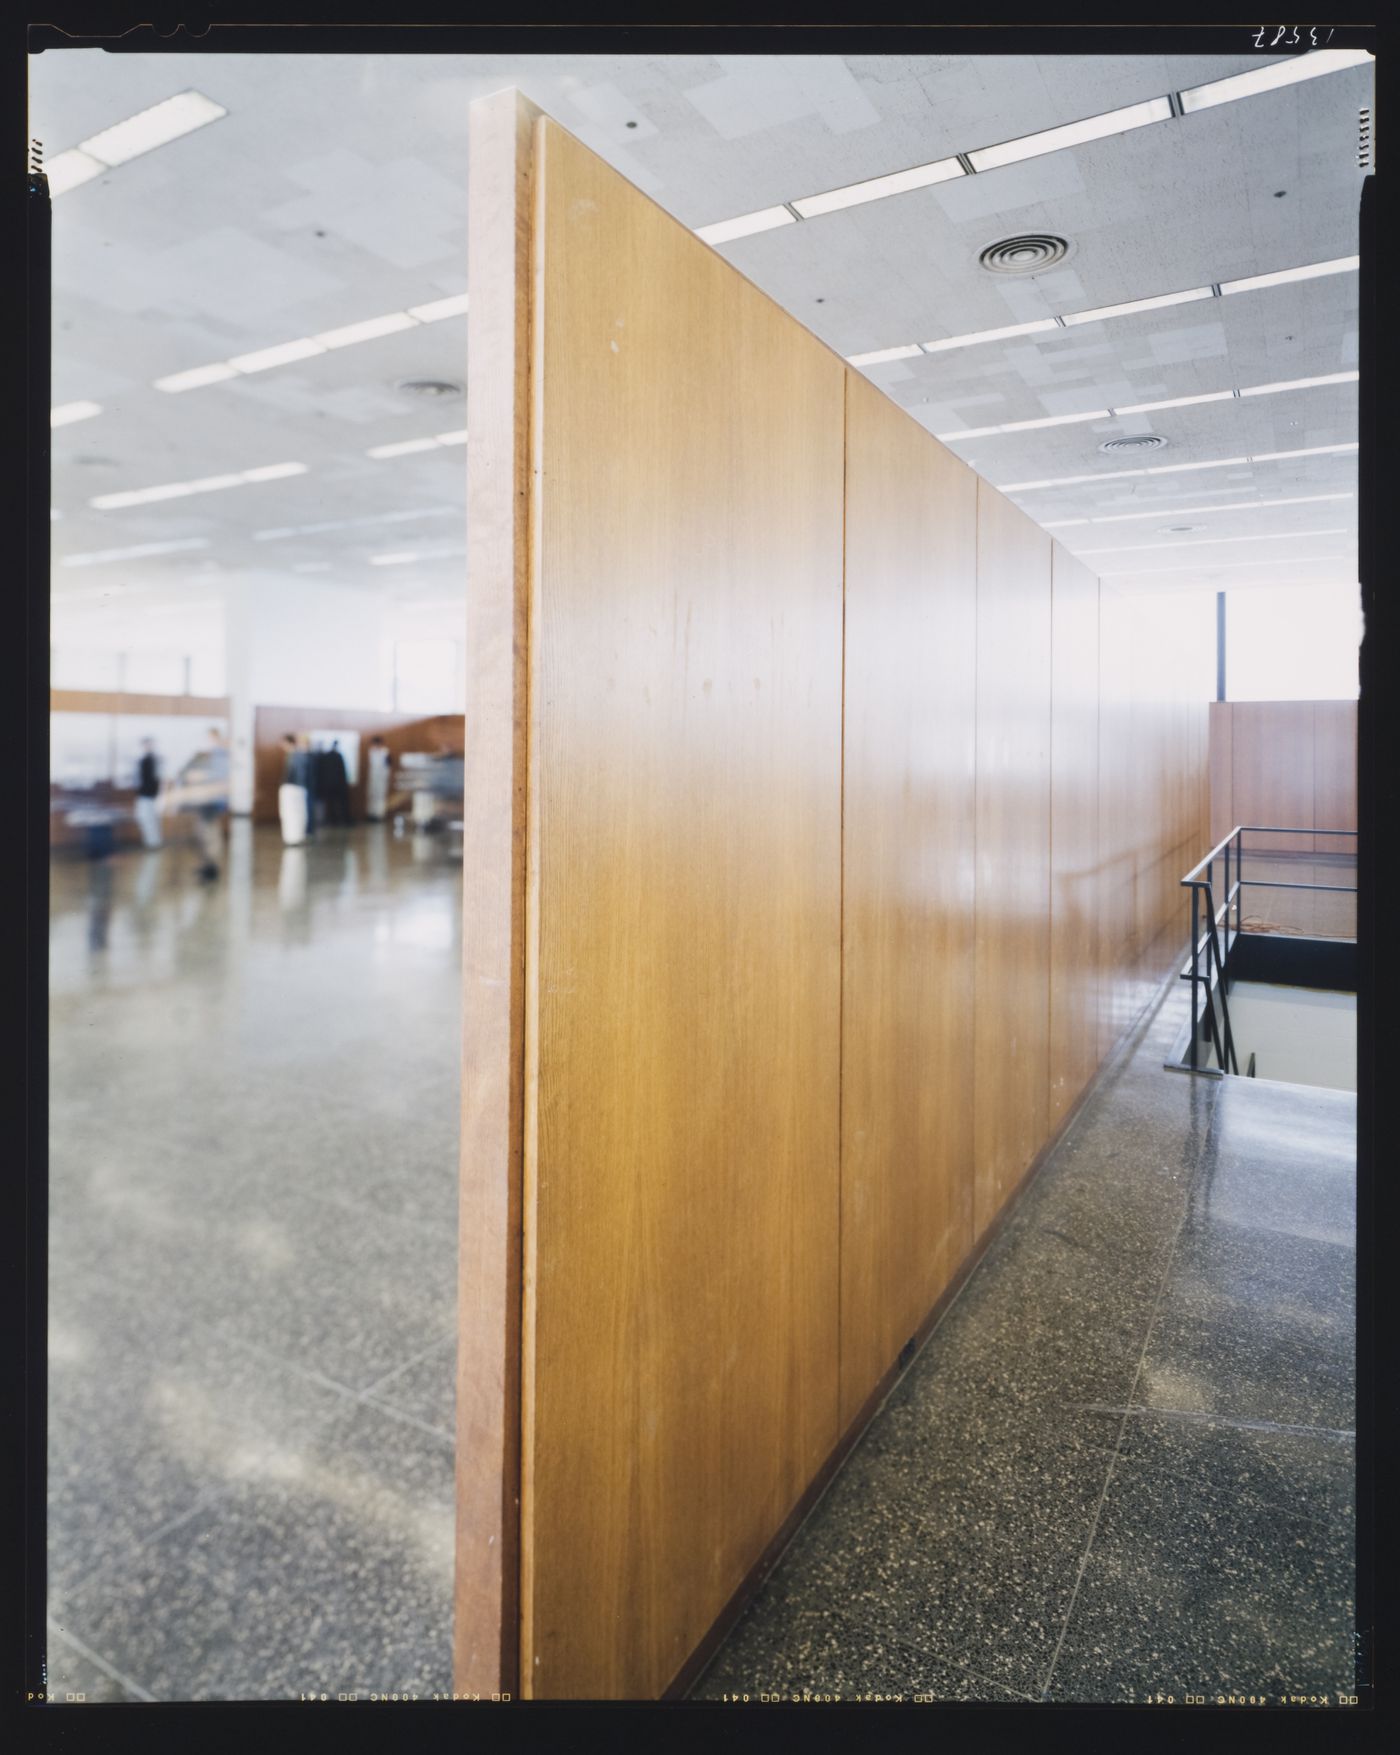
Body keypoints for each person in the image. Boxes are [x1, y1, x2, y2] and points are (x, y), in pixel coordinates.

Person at [168, 725, 230, 882]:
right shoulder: (207, 755)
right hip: (203, 800)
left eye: (210, 738)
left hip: (212, 801)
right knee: (202, 833)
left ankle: (211, 867)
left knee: (209, 834)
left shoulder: (222, 754)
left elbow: (220, 777)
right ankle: (206, 864)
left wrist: (201, 777)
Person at [278, 732, 313, 845]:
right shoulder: (295, 755)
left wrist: (289, 785)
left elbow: (297, 774)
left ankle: (293, 838)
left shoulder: (296, 755)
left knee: (292, 813)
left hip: (293, 788)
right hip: (296, 787)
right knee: (296, 813)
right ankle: (295, 837)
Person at [134, 737, 163, 849]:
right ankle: (152, 842)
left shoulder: (150, 760)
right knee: (149, 819)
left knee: (148, 818)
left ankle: (153, 843)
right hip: (149, 793)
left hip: (149, 794)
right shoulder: (150, 760)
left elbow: (155, 779)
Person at [320, 739, 351, 827]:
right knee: (340, 803)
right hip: (338, 784)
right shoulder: (338, 756)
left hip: (328, 784)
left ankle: (331, 820)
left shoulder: (326, 756)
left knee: (330, 803)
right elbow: (342, 771)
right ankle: (341, 820)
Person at [365, 735, 391, 822]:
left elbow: (388, 767)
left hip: (382, 779)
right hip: (373, 778)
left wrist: (384, 777)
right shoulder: (371, 751)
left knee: (380, 797)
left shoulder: (386, 753)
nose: (375, 746)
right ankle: (371, 814)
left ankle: (379, 815)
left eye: (376, 744)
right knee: (372, 796)